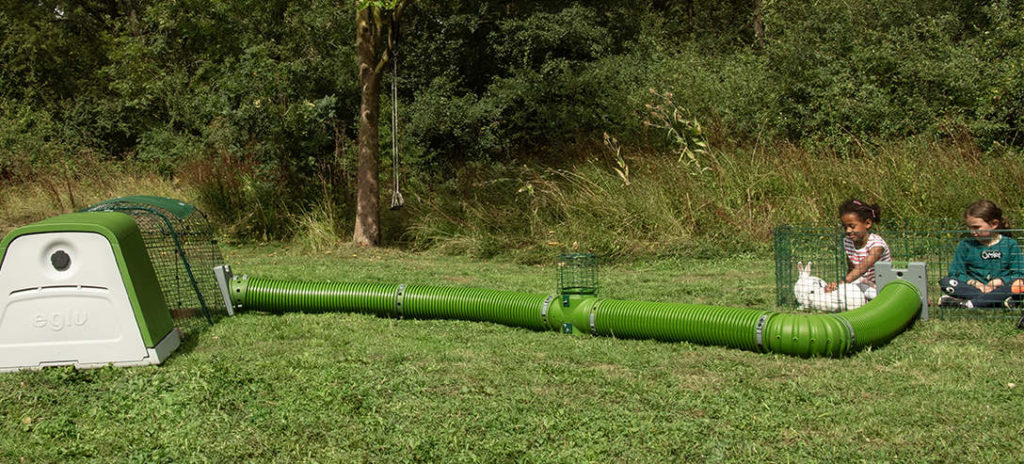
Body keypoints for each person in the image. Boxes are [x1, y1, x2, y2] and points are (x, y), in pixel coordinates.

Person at [939, 200, 1024, 309]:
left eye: (976, 227)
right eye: (969, 227)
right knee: (947, 282)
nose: (972, 232)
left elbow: (1019, 273)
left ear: (994, 224)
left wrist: (1000, 281)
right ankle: (999, 301)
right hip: (974, 288)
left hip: (1001, 288)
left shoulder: (1010, 244)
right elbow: (956, 273)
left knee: (1020, 283)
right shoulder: (965, 245)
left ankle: (969, 303)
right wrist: (977, 284)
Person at [825, 199, 891, 300]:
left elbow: (862, 268)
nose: (848, 231)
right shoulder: (847, 242)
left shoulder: (877, 245)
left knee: (853, 290)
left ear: (868, 223)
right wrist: (842, 285)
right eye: (845, 227)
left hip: (881, 286)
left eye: (852, 226)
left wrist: (842, 283)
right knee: (845, 290)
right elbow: (851, 268)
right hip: (862, 283)